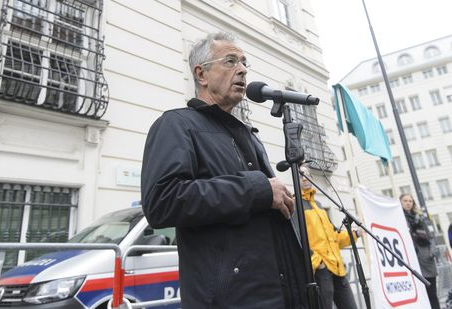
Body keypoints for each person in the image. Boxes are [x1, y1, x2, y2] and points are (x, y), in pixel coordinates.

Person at [141, 32, 309, 308]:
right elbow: (162, 201)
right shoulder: (176, 124)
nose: (242, 70)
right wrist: (258, 189)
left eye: (244, 63)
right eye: (231, 61)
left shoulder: (248, 135)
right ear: (201, 74)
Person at [298, 165, 359, 309]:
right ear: (296, 180)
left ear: (312, 179)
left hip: (337, 268)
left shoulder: (319, 206)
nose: (303, 179)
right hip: (320, 271)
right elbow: (297, 239)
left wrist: (355, 234)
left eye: (306, 175)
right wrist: (318, 263)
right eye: (300, 176)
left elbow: (334, 237)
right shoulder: (296, 205)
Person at [400, 193, 440, 309]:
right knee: (418, 296)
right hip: (412, 261)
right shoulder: (399, 218)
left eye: (410, 201)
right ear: (400, 202)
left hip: (427, 260)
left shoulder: (420, 218)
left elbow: (431, 237)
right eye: (405, 201)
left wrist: (432, 252)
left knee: (432, 294)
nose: (408, 203)